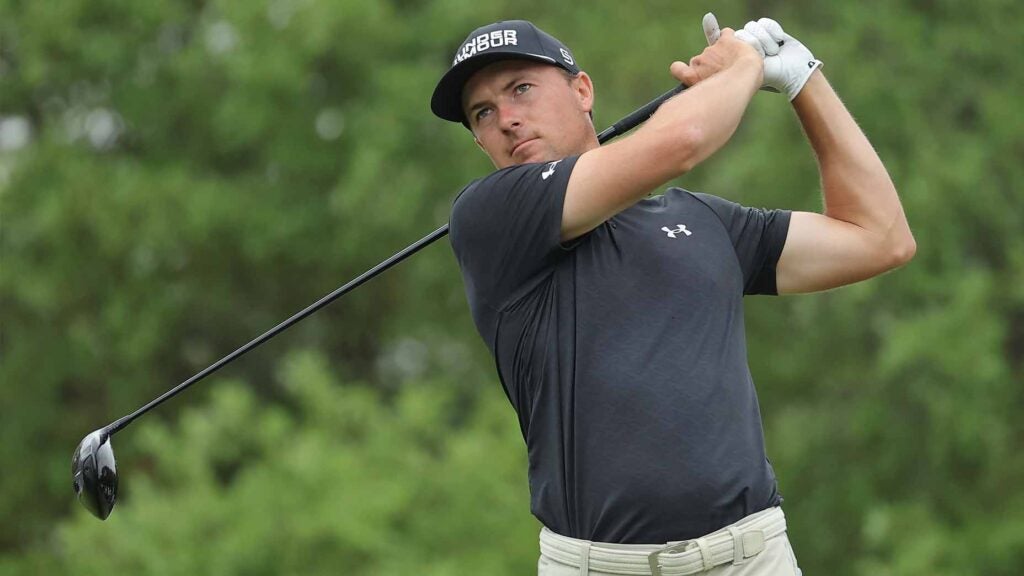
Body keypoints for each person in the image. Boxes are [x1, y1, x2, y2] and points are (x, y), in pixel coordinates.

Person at [431, 13, 915, 576]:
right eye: (482, 113)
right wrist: (743, 67)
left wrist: (804, 80)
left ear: (582, 91)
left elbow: (880, 237)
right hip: (598, 566)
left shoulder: (703, 220)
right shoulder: (490, 216)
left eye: (521, 89)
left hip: (753, 557)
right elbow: (682, 140)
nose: (507, 120)